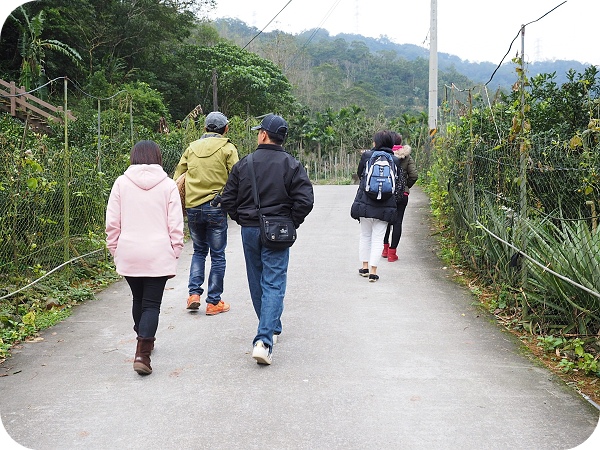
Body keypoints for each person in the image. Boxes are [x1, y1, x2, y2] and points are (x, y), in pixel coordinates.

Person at [221, 114, 314, 365]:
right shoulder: (292, 164)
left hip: (250, 230)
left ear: (263, 135)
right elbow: (305, 200)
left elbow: (228, 200)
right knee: (273, 282)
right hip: (279, 231)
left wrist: (242, 219)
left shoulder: (244, 164)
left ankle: (269, 330)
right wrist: (291, 221)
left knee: (257, 280)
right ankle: (265, 339)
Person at [106, 140, 184, 375]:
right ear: (158, 158)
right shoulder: (168, 185)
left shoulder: (121, 183)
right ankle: (143, 352)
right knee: (151, 304)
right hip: (158, 253)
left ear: (134, 157)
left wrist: (115, 249)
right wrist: (175, 250)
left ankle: (143, 336)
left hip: (129, 252)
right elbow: (175, 224)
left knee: (138, 300)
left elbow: (112, 222)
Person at [173, 111, 239, 315]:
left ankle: (193, 294)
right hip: (216, 206)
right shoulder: (228, 148)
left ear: (205, 128)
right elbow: (237, 176)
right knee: (218, 255)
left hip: (193, 207)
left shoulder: (191, 148)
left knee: (199, 251)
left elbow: (178, 175)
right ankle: (213, 302)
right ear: (226, 129)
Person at [350, 130, 399, 282]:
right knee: (378, 238)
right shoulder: (394, 159)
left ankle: (364, 267)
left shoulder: (366, 156)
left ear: (376, 142)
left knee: (365, 235)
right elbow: (396, 183)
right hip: (385, 205)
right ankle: (373, 271)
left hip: (366, 202)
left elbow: (360, 174)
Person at [382, 132, 418, 262]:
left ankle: (385, 249)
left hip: (387, 193)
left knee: (386, 221)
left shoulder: (385, 155)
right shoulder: (407, 156)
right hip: (402, 195)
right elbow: (414, 175)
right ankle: (392, 254)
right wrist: (405, 187)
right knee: (398, 222)